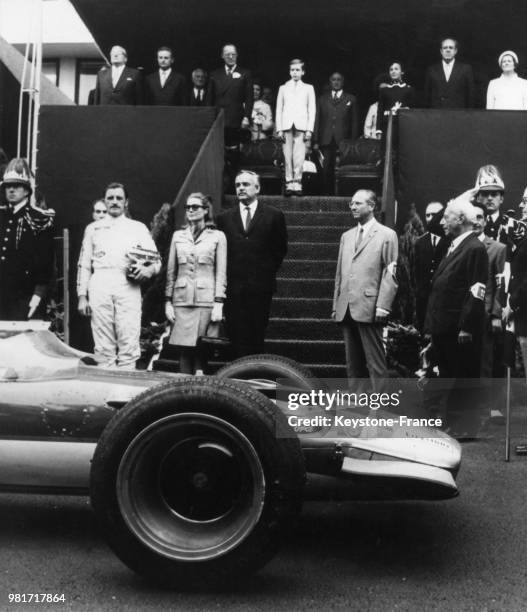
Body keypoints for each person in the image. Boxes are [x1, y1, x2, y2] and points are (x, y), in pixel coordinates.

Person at [77, 182, 161, 368]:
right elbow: (84, 264)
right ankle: (104, 394)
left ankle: (124, 394)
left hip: (127, 285)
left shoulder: (137, 227)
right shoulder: (93, 229)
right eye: (110, 198)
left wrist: (148, 270)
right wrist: (82, 296)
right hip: (100, 283)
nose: (114, 202)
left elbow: (156, 260)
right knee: (103, 344)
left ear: (126, 202)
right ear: (105, 201)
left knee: (128, 339)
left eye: (119, 198)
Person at [425, 196, 488, 437]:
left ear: (461, 219)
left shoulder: (474, 248)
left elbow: (477, 290)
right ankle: (448, 421)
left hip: (458, 328)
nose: (442, 222)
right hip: (444, 325)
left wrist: (467, 326)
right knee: (447, 373)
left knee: (460, 376)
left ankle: (460, 426)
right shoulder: (455, 245)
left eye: (447, 217)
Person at [216, 170, 287, 357]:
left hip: (260, 286)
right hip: (233, 286)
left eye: (246, 184)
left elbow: (279, 249)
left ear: (258, 188)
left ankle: (253, 376)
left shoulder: (274, 215)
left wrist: (264, 272)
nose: (240, 188)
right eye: (238, 185)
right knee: (235, 333)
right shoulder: (224, 218)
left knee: (256, 333)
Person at [332, 189, 398, 390]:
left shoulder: (387, 235)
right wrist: (336, 304)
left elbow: (391, 272)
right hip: (347, 307)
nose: (353, 207)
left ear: (372, 206)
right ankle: (357, 405)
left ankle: (380, 406)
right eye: (351, 203)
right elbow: (339, 274)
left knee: (375, 362)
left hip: (370, 306)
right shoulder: (347, 236)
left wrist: (383, 306)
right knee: (353, 362)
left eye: (358, 203)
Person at [165, 193, 226, 374]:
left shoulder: (217, 236)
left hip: (205, 300)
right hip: (182, 300)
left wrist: (219, 302)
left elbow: (220, 272)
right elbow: (171, 272)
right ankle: (183, 389)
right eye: (188, 207)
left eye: (195, 207)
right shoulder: (178, 236)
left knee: (201, 349)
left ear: (206, 210)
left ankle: (199, 390)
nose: (190, 210)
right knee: (184, 349)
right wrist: (167, 301)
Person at [0, 158, 55, 320]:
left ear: (26, 190)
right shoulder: (2, 216)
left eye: (16, 186)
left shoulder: (39, 219)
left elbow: (46, 262)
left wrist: (38, 295)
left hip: (25, 295)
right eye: (8, 186)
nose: (11, 190)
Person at [275, 58, 316, 196]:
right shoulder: (283, 88)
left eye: (298, 70)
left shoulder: (308, 88)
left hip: (301, 125)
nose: (295, 73)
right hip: (287, 125)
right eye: (292, 70)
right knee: (287, 155)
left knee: (299, 155)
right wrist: (279, 128)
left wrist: (309, 129)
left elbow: (312, 109)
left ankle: (297, 183)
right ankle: (288, 182)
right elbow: (279, 109)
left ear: (303, 72)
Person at [314, 72, 359, 195]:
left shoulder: (351, 99)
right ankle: (327, 196)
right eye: (334, 79)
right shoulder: (322, 99)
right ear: (330, 81)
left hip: (344, 140)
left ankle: (341, 195)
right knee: (326, 169)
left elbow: (354, 122)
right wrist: (316, 140)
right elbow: (317, 120)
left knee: (343, 169)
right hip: (326, 139)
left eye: (339, 79)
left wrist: (353, 141)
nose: (336, 82)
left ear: (343, 81)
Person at [474, 165, 526, 261]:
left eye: (494, 194)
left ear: (501, 198)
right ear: (477, 197)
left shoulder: (516, 227)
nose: (489, 198)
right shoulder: (469, 225)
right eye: (485, 194)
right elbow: (437, 226)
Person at [207, 44, 253, 150]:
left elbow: (249, 98)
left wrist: (246, 117)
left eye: (233, 54)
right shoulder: (215, 74)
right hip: (218, 117)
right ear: (222, 56)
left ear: (237, 56)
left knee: (234, 149)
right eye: (228, 54)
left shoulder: (245, 73)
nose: (231, 57)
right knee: (218, 149)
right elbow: (209, 98)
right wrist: (209, 117)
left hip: (236, 118)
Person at [413, 202, 449, 333]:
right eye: (427, 215)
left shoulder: (450, 240)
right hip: (424, 299)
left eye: (434, 215)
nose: (430, 218)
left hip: (443, 298)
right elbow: (416, 272)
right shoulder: (420, 242)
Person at [424, 38, 475, 108]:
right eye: (445, 48)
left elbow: (470, 95)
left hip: (458, 114)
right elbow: (427, 96)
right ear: (441, 51)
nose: (448, 50)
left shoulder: (465, 69)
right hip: (436, 114)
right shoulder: (432, 70)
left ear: (455, 51)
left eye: (451, 48)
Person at [375, 61, 414, 137]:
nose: (393, 71)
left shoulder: (409, 89)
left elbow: (413, 109)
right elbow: (380, 110)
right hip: (387, 125)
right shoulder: (384, 90)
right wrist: (378, 129)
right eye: (391, 69)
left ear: (402, 72)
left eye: (396, 69)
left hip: (404, 125)